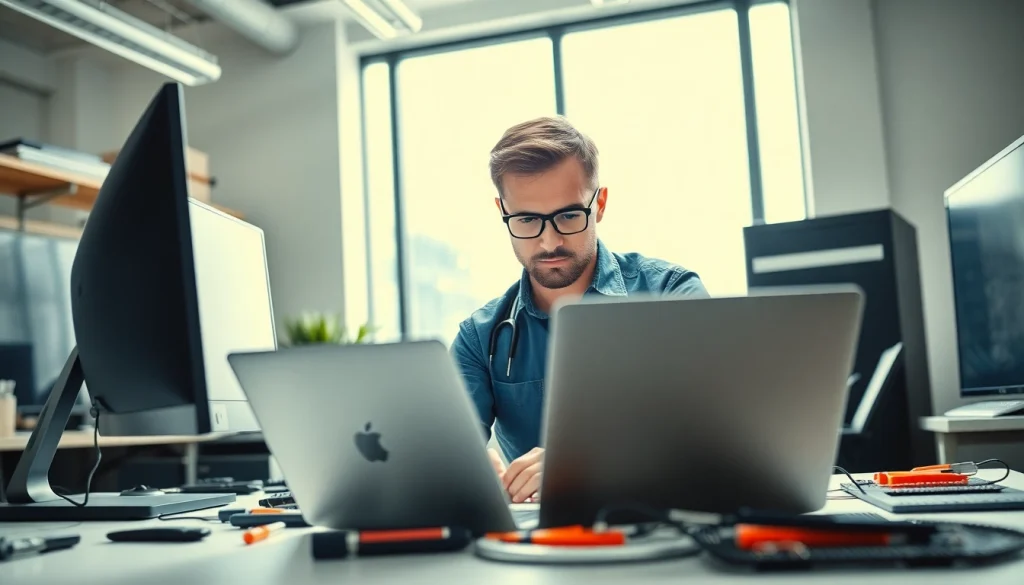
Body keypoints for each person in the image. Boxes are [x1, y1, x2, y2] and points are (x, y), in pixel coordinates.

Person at [450, 116, 708, 503]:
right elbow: (445, 454)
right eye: (526, 220)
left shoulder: (672, 293)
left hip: (665, 527)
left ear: (599, 203)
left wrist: (584, 464)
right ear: (503, 211)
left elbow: (712, 433)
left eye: (568, 215)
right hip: (539, 548)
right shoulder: (480, 337)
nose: (548, 241)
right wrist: (463, 470)